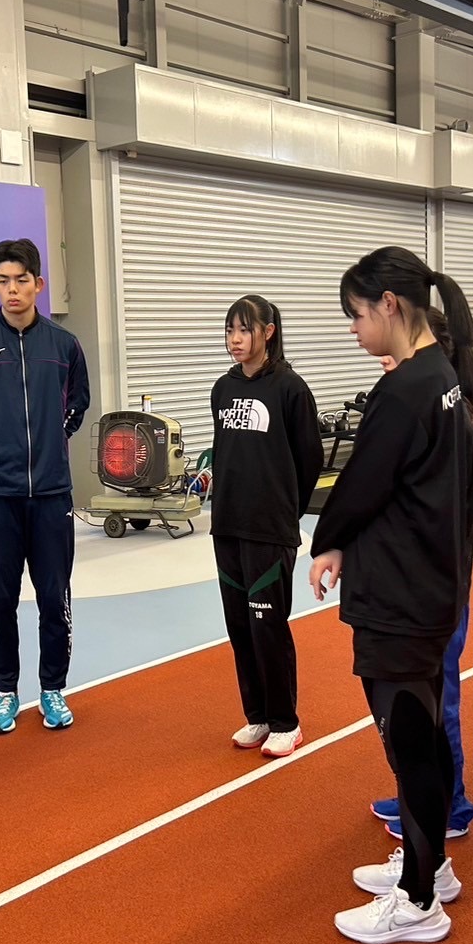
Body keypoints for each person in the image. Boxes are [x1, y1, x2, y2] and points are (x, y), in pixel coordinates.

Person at [309, 247, 473, 944]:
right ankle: (430, 865)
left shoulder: (407, 389)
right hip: (432, 583)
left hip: (402, 594)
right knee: (425, 733)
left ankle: (418, 901)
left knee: (409, 741)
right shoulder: (445, 377)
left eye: (355, 315)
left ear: (388, 304)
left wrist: (327, 540)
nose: (353, 330)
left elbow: (363, 481)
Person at [0, 238, 91, 734]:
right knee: (0, 597)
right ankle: (5, 692)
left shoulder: (64, 346)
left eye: (22, 280)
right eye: (3, 281)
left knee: (54, 596)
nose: (13, 290)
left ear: (39, 284)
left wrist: (50, 444)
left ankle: (52, 688)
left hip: (51, 494)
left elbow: (78, 405)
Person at [368, 308, 473, 844]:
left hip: (435, 589)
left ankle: (450, 805)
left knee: (436, 702)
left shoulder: (447, 415)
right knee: (412, 710)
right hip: (415, 585)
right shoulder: (422, 403)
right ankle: (422, 793)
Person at [210, 295, 323, 758]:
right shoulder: (222, 388)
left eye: (244, 329)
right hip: (227, 526)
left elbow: (310, 459)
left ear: (268, 332)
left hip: (270, 529)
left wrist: (286, 512)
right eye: (229, 330)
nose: (235, 339)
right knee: (240, 626)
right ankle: (256, 715)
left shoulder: (290, 389)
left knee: (267, 627)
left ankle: (285, 722)